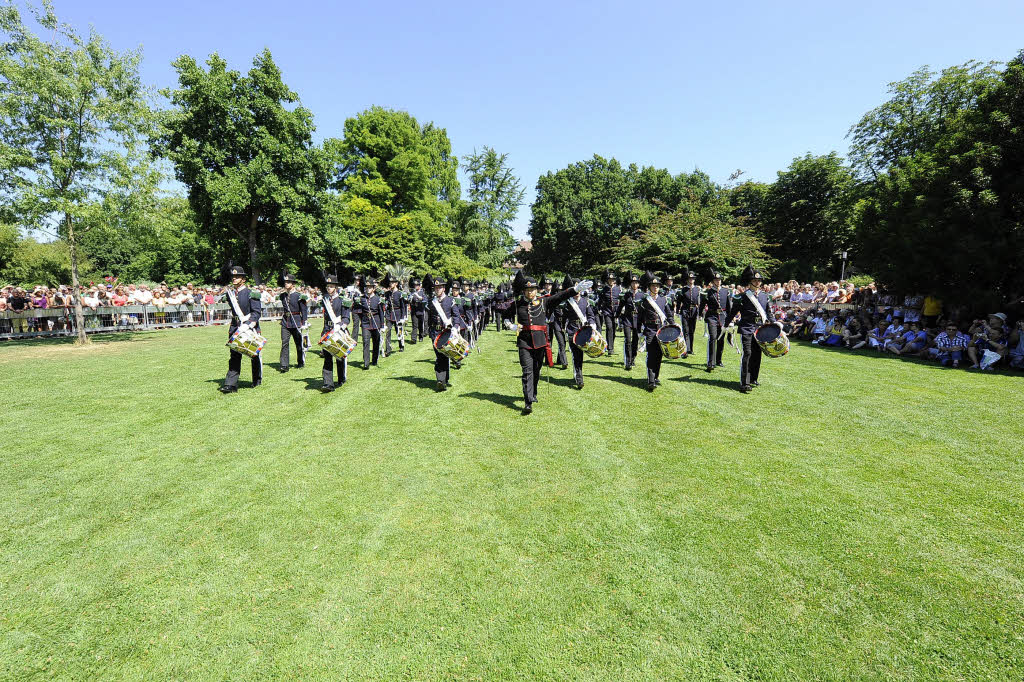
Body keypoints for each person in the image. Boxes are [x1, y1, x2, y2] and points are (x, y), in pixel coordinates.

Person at [514, 271, 589, 414]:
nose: (530, 292)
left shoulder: (544, 301)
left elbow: (560, 296)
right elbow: (506, 314)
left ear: (537, 290)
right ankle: (528, 402)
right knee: (527, 371)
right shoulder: (518, 304)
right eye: (528, 290)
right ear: (524, 291)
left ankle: (533, 392)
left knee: (536, 370)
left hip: (540, 342)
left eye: (533, 289)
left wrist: (576, 289)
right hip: (524, 342)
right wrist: (509, 325)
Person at [732, 265, 777, 393]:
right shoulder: (742, 296)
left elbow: (769, 313)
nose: (758, 282)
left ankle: (753, 378)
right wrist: (727, 324)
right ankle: (744, 383)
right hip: (746, 328)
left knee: (757, 355)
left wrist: (775, 325)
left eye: (759, 280)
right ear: (750, 281)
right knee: (747, 354)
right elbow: (733, 312)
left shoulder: (765, 296)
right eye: (755, 280)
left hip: (759, 329)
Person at [220, 264, 262, 393]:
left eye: (237, 276)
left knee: (253, 355)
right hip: (235, 327)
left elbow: (256, 312)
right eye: (233, 276)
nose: (234, 279)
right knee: (234, 355)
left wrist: (249, 324)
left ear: (243, 279)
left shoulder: (251, 293)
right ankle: (231, 384)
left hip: (249, 327)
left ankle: (256, 380)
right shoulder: (230, 294)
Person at [425, 275, 465, 391]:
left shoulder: (450, 300)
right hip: (435, 332)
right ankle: (442, 380)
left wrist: (456, 327)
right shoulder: (431, 302)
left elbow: (456, 316)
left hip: (446, 331)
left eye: (439, 287)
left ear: (443, 288)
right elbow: (428, 318)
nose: (437, 290)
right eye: (435, 288)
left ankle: (441, 380)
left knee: (443, 355)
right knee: (439, 355)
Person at [636, 271, 675, 391]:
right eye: (653, 286)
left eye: (657, 286)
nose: (656, 287)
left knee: (659, 355)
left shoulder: (664, 300)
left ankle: (656, 376)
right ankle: (651, 379)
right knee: (651, 355)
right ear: (649, 287)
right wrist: (639, 331)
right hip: (650, 330)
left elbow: (669, 315)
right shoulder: (644, 301)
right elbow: (640, 318)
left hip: (662, 330)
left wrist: (674, 326)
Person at [562, 274, 598, 389]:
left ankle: (577, 373)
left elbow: (591, 315)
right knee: (576, 355)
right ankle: (579, 378)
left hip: (583, 331)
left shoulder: (585, 301)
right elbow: (562, 318)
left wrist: (592, 323)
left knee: (580, 355)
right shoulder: (567, 302)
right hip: (572, 330)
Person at [319, 273, 350, 392]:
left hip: (338, 330)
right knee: (327, 357)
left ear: (335, 287)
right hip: (327, 330)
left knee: (339, 356)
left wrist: (342, 325)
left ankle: (341, 378)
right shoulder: (325, 300)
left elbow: (347, 317)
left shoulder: (343, 300)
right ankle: (328, 383)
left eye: (331, 286)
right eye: (327, 286)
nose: (329, 288)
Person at [277, 271, 308, 372]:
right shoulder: (282, 296)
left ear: (293, 284)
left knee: (298, 343)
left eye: (288, 282)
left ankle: (300, 361)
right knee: (284, 343)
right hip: (285, 322)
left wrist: (304, 323)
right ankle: (284, 365)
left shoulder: (300, 296)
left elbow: (304, 311)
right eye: (285, 282)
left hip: (296, 321)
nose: (286, 284)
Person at [703, 268, 731, 371]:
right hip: (712, 317)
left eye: (719, 280)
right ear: (713, 281)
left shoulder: (726, 291)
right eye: (716, 280)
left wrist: (730, 319)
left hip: (723, 317)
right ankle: (711, 362)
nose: (718, 281)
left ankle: (718, 360)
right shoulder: (708, 292)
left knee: (721, 339)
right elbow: (703, 304)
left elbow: (729, 307)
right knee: (713, 338)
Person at [614, 272, 641, 370]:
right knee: (628, 340)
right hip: (627, 320)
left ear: (638, 284)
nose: (634, 285)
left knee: (635, 341)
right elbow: (620, 306)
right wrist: (616, 316)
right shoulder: (626, 295)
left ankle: (633, 358)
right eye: (633, 283)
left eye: (636, 283)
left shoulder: (642, 295)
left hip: (637, 320)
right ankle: (628, 361)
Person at [540, 277, 568, 369]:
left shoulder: (559, 298)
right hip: (547, 320)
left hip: (556, 321)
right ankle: (548, 360)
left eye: (550, 284)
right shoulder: (543, 295)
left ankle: (562, 361)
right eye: (546, 284)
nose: (548, 286)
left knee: (561, 341)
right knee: (548, 340)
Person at [357, 276, 382, 369]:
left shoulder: (377, 299)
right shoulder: (362, 299)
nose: (368, 289)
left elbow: (381, 313)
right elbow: (359, 311)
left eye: (370, 287)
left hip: (376, 322)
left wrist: (382, 326)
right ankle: (366, 362)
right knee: (365, 342)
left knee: (376, 342)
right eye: (367, 287)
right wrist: (362, 320)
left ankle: (374, 360)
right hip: (365, 323)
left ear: (374, 288)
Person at [597, 271, 620, 356]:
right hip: (607, 311)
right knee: (609, 327)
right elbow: (600, 300)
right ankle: (610, 348)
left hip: (616, 311)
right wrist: (599, 308)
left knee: (613, 329)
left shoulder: (618, 289)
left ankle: (611, 344)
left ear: (614, 280)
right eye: (609, 279)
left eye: (612, 279)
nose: (611, 281)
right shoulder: (604, 289)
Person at [679, 270, 702, 355]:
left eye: (692, 278)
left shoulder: (697, 289)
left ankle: (691, 349)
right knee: (686, 329)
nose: (691, 280)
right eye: (690, 278)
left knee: (692, 330)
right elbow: (679, 301)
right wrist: (678, 311)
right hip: (685, 310)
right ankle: (686, 349)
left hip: (694, 311)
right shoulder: (683, 289)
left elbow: (700, 302)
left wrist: (700, 312)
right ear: (687, 279)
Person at [383, 275, 407, 356]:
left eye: (393, 282)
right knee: (388, 332)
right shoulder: (387, 294)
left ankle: (401, 345)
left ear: (396, 283)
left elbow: (403, 306)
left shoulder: (400, 294)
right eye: (390, 282)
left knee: (399, 331)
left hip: (398, 314)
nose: (391, 284)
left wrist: (403, 317)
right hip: (389, 315)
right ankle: (388, 349)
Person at [409, 278, 427, 344]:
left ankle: (421, 336)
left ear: (420, 286)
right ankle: (413, 339)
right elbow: (409, 301)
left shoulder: (422, 293)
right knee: (414, 325)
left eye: (417, 285)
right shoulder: (412, 293)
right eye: (415, 285)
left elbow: (425, 300)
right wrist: (410, 298)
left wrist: (418, 296)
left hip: (420, 310)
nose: (416, 286)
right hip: (414, 311)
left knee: (420, 325)